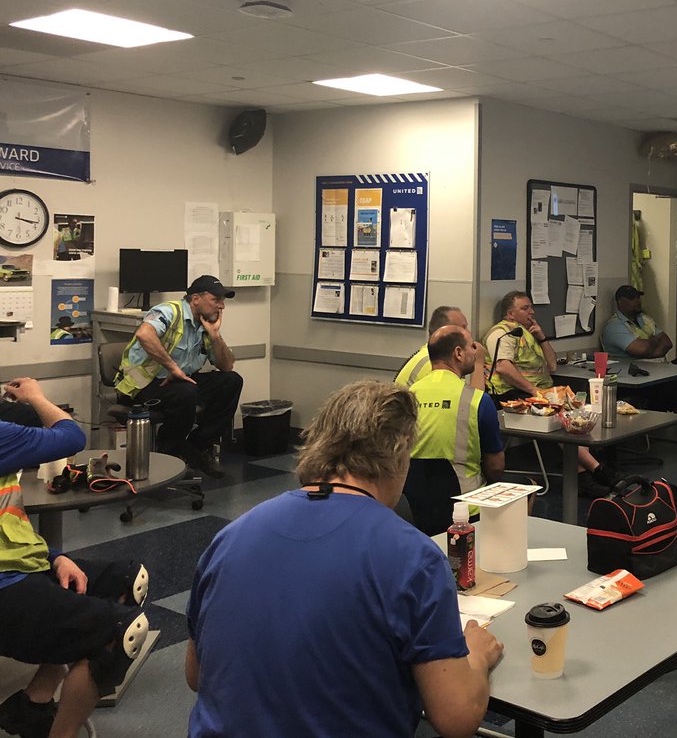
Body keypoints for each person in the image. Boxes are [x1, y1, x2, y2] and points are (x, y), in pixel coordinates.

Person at [185, 379, 503, 738]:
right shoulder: (414, 557)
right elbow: (457, 719)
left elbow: (196, 676)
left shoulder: (228, 539)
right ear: (399, 458)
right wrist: (476, 655)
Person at [0, 377, 150, 738]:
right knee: (121, 632)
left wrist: (54, 557)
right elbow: (71, 437)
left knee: (128, 578)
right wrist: (36, 396)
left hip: (21, 566)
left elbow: (10, 528)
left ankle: (33, 706)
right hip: (7, 586)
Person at [483, 291, 616, 497]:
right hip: (511, 395)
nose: (532, 312)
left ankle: (587, 472)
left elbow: (552, 365)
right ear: (510, 314)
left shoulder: (527, 333)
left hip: (539, 392)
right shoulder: (502, 334)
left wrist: (542, 337)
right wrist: (534, 391)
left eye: (531, 307)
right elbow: (503, 368)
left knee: (577, 414)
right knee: (561, 418)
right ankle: (596, 470)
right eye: (525, 308)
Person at [114, 275, 242, 478]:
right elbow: (144, 335)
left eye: (223, 301)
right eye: (216, 300)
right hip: (143, 385)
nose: (221, 306)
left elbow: (226, 366)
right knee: (186, 391)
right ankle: (169, 453)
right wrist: (173, 368)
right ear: (196, 298)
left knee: (231, 381)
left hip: (180, 384)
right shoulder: (169, 311)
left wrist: (216, 336)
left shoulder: (205, 325)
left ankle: (195, 447)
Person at [601, 285, 677, 458]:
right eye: (631, 298)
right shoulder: (614, 326)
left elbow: (667, 343)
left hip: (660, 368)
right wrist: (654, 342)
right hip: (636, 379)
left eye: (637, 297)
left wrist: (650, 346)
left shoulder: (644, 319)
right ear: (620, 302)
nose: (637, 301)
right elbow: (640, 350)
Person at [411, 325, 504, 494]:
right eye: (472, 347)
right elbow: (496, 467)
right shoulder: (478, 401)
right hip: (466, 504)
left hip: (412, 503)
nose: (475, 352)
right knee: (526, 487)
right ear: (459, 353)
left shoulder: (407, 394)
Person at [396, 305, 486, 391]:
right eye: (463, 328)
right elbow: (470, 402)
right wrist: (478, 363)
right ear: (445, 332)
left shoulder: (432, 354)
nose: (468, 333)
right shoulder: (433, 362)